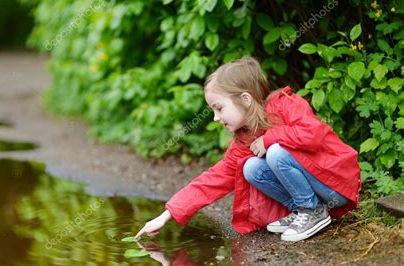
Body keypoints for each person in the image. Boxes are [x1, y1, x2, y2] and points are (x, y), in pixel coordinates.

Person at [135, 56, 361, 242]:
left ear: (245, 99)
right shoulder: (244, 140)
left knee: (275, 152)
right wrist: (166, 215)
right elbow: (211, 181)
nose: (215, 117)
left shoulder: (285, 105)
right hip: (318, 191)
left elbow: (312, 134)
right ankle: (303, 211)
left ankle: (312, 211)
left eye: (219, 108)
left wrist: (270, 138)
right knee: (251, 167)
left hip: (335, 185)